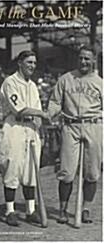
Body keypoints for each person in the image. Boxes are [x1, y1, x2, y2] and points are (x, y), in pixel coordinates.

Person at [47, 45, 103, 224]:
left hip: (93, 126)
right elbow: (55, 102)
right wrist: (49, 115)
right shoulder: (65, 79)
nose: (84, 61)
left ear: (94, 60)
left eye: (87, 58)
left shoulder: (100, 82)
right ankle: (63, 209)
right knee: (67, 172)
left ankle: (85, 208)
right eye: (81, 58)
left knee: (92, 173)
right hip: (70, 126)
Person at [0, 50, 48, 226]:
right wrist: (42, 114)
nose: (32, 66)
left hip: (31, 128)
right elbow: (19, 109)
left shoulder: (33, 85)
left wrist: (39, 123)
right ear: (20, 62)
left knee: (31, 170)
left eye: (34, 63)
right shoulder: (10, 82)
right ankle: (10, 211)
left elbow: (36, 110)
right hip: (14, 126)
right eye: (29, 62)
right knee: (12, 166)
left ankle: (30, 210)